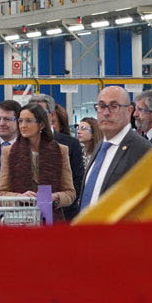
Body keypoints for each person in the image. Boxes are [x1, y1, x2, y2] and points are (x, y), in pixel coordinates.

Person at [77, 86, 151, 212]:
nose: (106, 113)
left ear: (129, 110)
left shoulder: (142, 150)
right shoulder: (100, 147)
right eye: (101, 106)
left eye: (114, 106)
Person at [0, 102, 75, 215]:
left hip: (51, 219)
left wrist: (55, 197)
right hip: (19, 218)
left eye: (28, 121)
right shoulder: (8, 152)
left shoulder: (61, 151)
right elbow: (0, 194)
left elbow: (70, 193)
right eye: (20, 121)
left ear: (41, 125)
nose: (23, 125)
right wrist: (19, 197)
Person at [30, 92, 86, 221]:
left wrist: (59, 199)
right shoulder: (20, 145)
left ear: (52, 114)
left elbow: (78, 181)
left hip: (63, 213)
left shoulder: (70, 144)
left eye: (41, 112)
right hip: (28, 214)